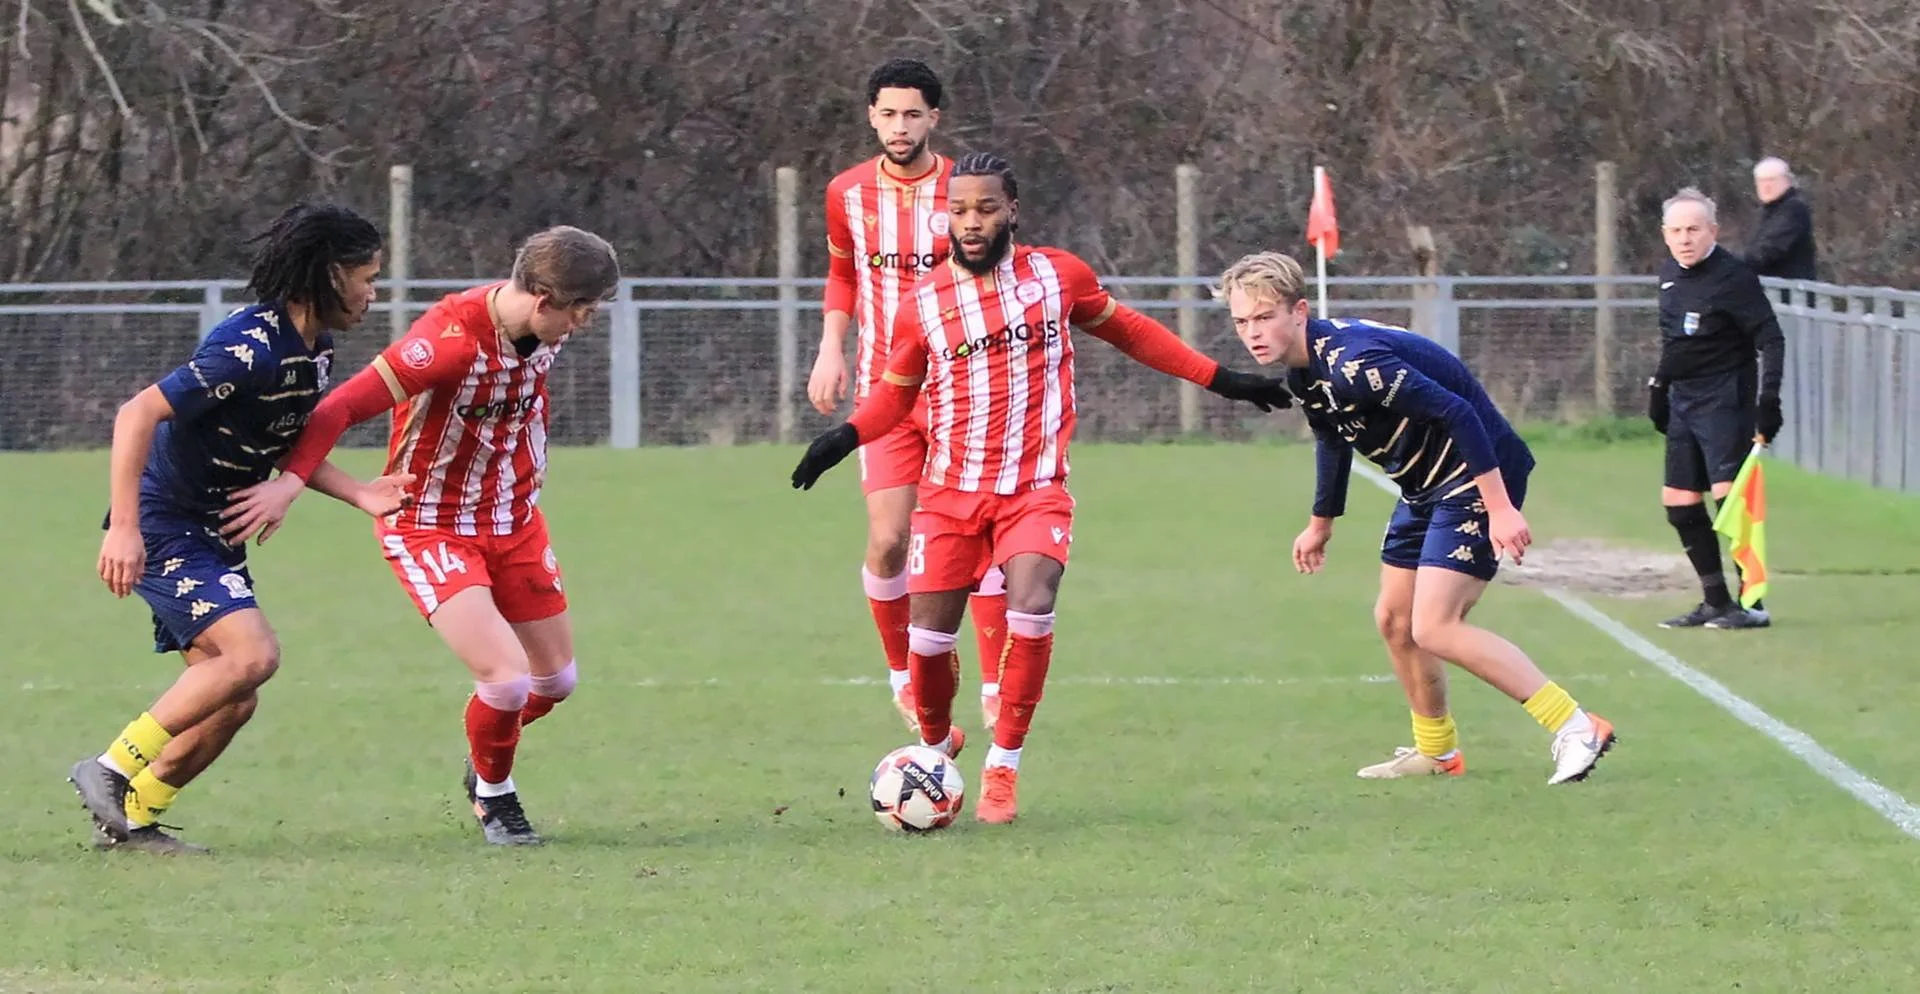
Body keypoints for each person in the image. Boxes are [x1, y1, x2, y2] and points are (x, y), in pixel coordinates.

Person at [791, 153, 1294, 822]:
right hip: (948, 495)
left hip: (1034, 489)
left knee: (1032, 598)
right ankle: (937, 751)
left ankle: (1003, 768)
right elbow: (893, 397)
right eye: (960, 209)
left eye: (986, 208)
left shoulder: (1057, 277)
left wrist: (1221, 379)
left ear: (1012, 211)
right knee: (929, 644)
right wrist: (842, 439)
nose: (971, 223)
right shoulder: (925, 304)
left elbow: (1133, 332)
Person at [224, 226, 621, 845]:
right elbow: (337, 409)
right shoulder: (448, 343)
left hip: (514, 521)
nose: (585, 323)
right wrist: (290, 484)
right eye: (581, 310)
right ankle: (494, 795)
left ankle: (487, 749)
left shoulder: (536, 323)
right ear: (543, 300)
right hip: (431, 526)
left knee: (555, 682)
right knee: (506, 678)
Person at [69, 201, 406, 854]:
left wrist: (360, 493)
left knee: (234, 696)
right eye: (368, 277)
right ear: (331, 274)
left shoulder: (316, 351)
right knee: (255, 656)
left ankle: (132, 821)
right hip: (166, 526)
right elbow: (136, 414)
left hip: (212, 533)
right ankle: (107, 770)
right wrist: (125, 529)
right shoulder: (244, 348)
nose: (373, 293)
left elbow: (282, 443)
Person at [1216, 250, 1618, 785]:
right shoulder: (1304, 373)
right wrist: (1321, 524)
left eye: (1264, 317)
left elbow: (1460, 411)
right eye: (1242, 321)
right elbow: (1331, 437)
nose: (1253, 332)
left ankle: (1575, 725)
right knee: (1395, 621)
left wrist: (1499, 507)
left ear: (1299, 311)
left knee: (1436, 626)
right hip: (1423, 485)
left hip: (1474, 476)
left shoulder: (1355, 365)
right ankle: (1438, 753)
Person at [809, 58, 1009, 735]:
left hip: (961, 392)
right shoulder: (847, 193)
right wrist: (830, 348)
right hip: (884, 392)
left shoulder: (965, 191)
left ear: (934, 119)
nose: (900, 126)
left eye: (913, 114)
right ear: (871, 116)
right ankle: (901, 672)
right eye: (888, 114)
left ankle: (992, 687)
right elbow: (843, 276)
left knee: (974, 539)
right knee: (890, 539)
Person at [1646, 187, 1785, 630]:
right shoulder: (1669, 273)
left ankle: (1753, 604)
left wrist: (1769, 402)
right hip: (1683, 400)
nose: (1685, 238)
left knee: (1731, 501)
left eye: (1694, 229)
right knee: (1679, 503)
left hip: (1726, 398)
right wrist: (1658, 388)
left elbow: (1771, 339)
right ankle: (1716, 601)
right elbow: (1675, 342)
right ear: (1665, 234)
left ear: (1713, 231)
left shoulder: (1734, 276)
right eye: (1676, 230)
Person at [1742, 157, 1818, 283]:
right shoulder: (1765, 213)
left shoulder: (1793, 209)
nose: (1766, 186)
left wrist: (1728, 264)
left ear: (1787, 181)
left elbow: (1767, 252)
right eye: (1761, 181)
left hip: (1791, 295)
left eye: (1772, 180)